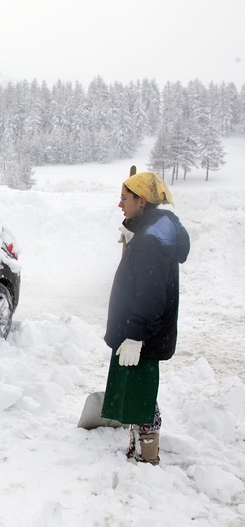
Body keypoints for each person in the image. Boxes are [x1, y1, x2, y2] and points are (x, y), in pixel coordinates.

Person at [101, 167, 190, 465]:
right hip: (143, 329)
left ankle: (147, 454)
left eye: (124, 198)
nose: (119, 203)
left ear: (142, 201)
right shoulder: (151, 232)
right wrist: (134, 233)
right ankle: (138, 446)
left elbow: (151, 294)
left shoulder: (152, 241)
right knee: (136, 390)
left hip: (143, 332)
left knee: (142, 394)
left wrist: (136, 335)